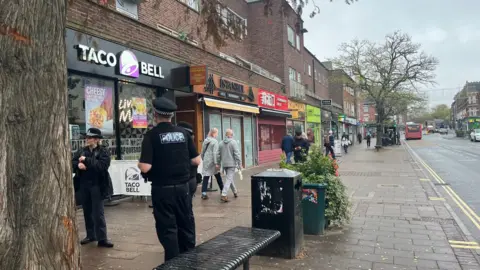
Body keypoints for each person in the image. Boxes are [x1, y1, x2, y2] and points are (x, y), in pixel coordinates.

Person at [137, 97, 201, 265]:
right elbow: (196, 161)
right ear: (172, 116)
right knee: (186, 224)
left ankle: (173, 264)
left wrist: (140, 163)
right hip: (183, 188)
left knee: (168, 228)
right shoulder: (184, 133)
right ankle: (190, 261)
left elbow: (145, 167)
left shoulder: (151, 136)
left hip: (162, 190)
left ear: (155, 114)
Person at [72, 128, 114, 248]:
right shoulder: (82, 150)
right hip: (84, 184)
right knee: (87, 211)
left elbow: (102, 166)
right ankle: (91, 235)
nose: (87, 139)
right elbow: (72, 162)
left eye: (89, 138)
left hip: (97, 185)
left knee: (98, 212)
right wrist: (78, 165)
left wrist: (86, 160)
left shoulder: (103, 151)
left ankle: (102, 238)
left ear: (96, 139)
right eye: (87, 137)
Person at [218, 129, 242, 203]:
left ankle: (235, 192)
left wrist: (218, 163)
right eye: (232, 134)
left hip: (224, 164)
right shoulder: (233, 142)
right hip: (231, 164)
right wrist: (239, 163)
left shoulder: (221, 143)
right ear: (231, 135)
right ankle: (224, 194)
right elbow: (237, 153)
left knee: (229, 178)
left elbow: (218, 154)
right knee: (228, 179)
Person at [200, 128, 224, 200]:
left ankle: (203, 193)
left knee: (206, 176)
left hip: (206, 161)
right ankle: (223, 190)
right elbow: (215, 153)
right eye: (217, 133)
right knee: (217, 175)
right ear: (213, 133)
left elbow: (202, 151)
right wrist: (216, 163)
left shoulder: (206, 140)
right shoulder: (215, 141)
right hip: (213, 162)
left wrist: (203, 158)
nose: (217, 135)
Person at [177, 122, 199, 198]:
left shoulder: (182, 143)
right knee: (187, 205)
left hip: (183, 180)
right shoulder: (191, 142)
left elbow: (196, 161)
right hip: (191, 178)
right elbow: (196, 160)